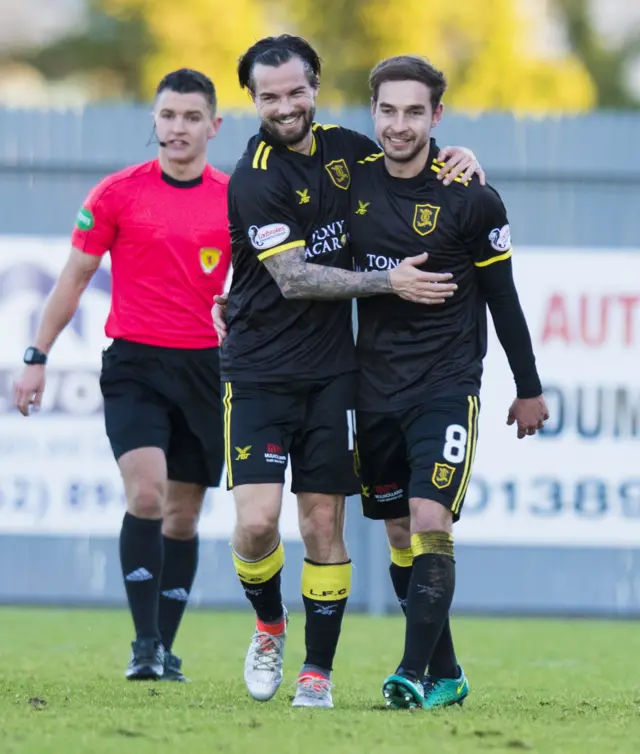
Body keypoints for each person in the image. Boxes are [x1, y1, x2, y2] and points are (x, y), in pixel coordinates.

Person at [217, 34, 483, 710]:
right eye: (268, 96)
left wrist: (462, 158)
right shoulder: (255, 178)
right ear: (253, 100)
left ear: (315, 87)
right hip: (257, 370)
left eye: (295, 90)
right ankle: (270, 626)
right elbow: (295, 278)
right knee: (254, 524)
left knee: (321, 526)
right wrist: (387, 281)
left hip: (336, 373)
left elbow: (412, 160)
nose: (284, 106)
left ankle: (317, 673)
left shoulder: (349, 151)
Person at [13, 68, 231, 682]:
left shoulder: (234, 198)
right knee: (146, 495)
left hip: (206, 370)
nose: (178, 127)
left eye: (192, 117)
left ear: (214, 126)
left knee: (184, 517)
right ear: (154, 122)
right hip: (134, 364)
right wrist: (36, 356)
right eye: (168, 115)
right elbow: (73, 279)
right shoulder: (116, 193)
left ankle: (165, 646)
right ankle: (143, 645)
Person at [349, 55, 549, 710]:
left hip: (447, 384)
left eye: (414, 111)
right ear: (372, 110)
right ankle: (451, 674)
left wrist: (528, 385)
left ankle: (409, 674)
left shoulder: (471, 195)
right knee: (400, 534)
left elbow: (503, 296)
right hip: (373, 387)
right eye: (388, 110)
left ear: (437, 116)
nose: (399, 125)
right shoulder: (347, 184)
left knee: (432, 519)